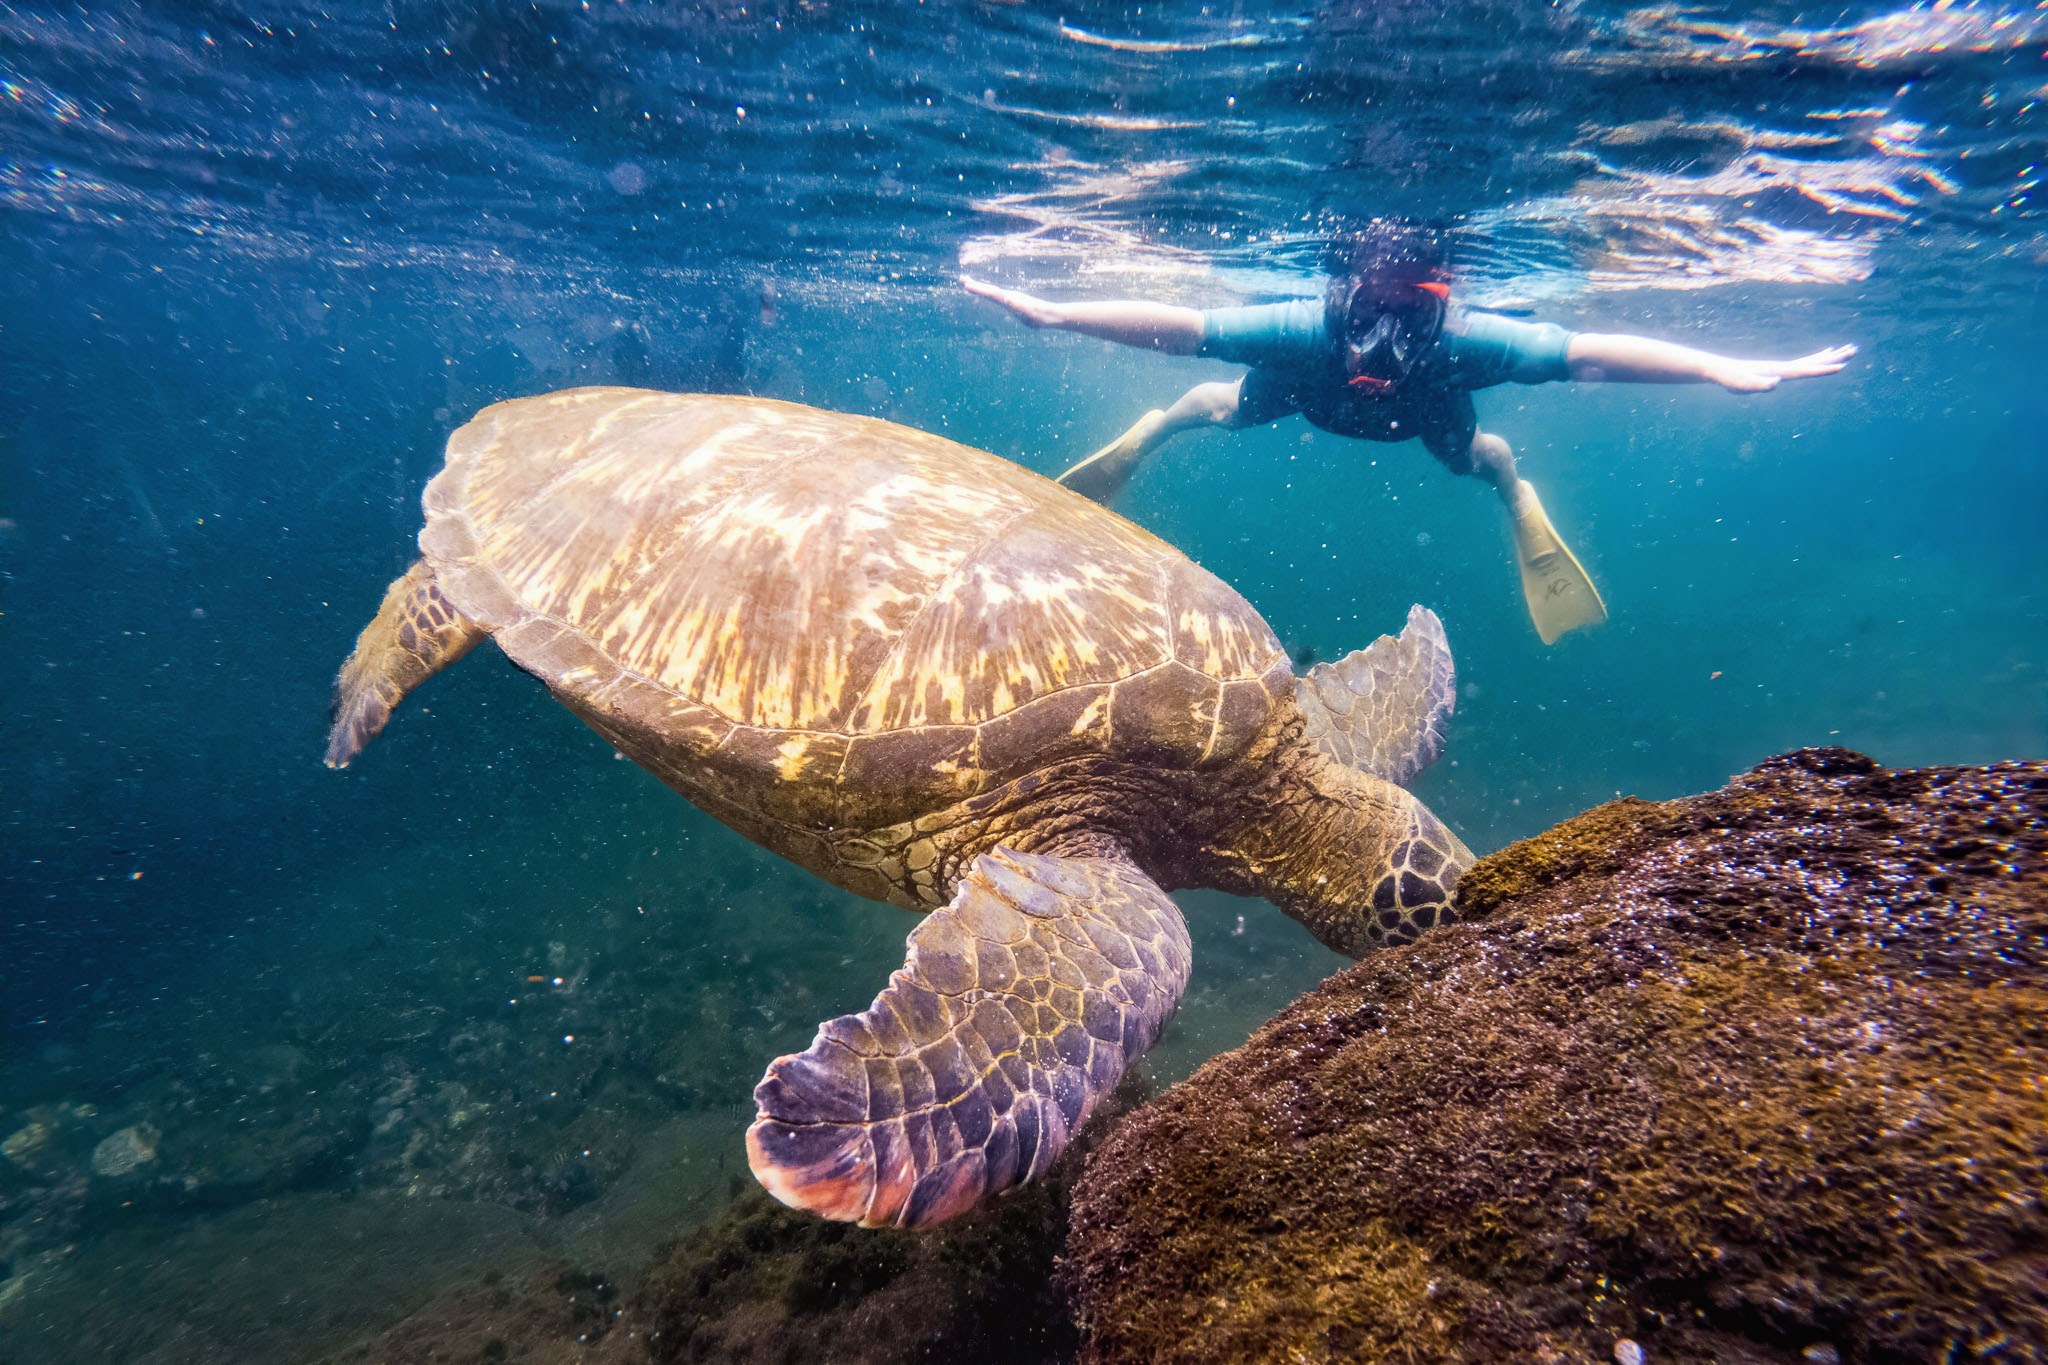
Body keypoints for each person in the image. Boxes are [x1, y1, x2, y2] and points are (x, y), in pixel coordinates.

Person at [964, 219, 1855, 644]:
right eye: (1370, 309)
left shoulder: (1466, 346)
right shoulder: (1302, 332)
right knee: (1221, 405)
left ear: (1442, 305)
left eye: (1414, 310)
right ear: (1345, 295)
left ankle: (1516, 491)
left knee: (1478, 458)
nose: (1386, 335)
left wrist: (1714, 365)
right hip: (1309, 391)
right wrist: (1056, 314)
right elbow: (1184, 326)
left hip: (1423, 413)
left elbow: (1583, 351)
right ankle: (1151, 431)